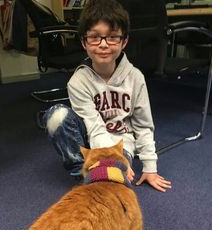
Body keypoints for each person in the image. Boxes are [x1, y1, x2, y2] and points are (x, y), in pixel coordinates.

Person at [43, 0, 172, 192]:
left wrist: (149, 168)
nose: (103, 45)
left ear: (124, 41)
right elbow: (94, 127)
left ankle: (98, 177)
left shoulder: (135, 78)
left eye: (112, 37)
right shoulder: (78, 81)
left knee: (112, 184)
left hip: (122, 144)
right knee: (56, 116)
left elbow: (143, 125)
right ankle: (81, 174)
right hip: (91, 142)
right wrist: (102, 160)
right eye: (94, 37)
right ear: (83, 42)